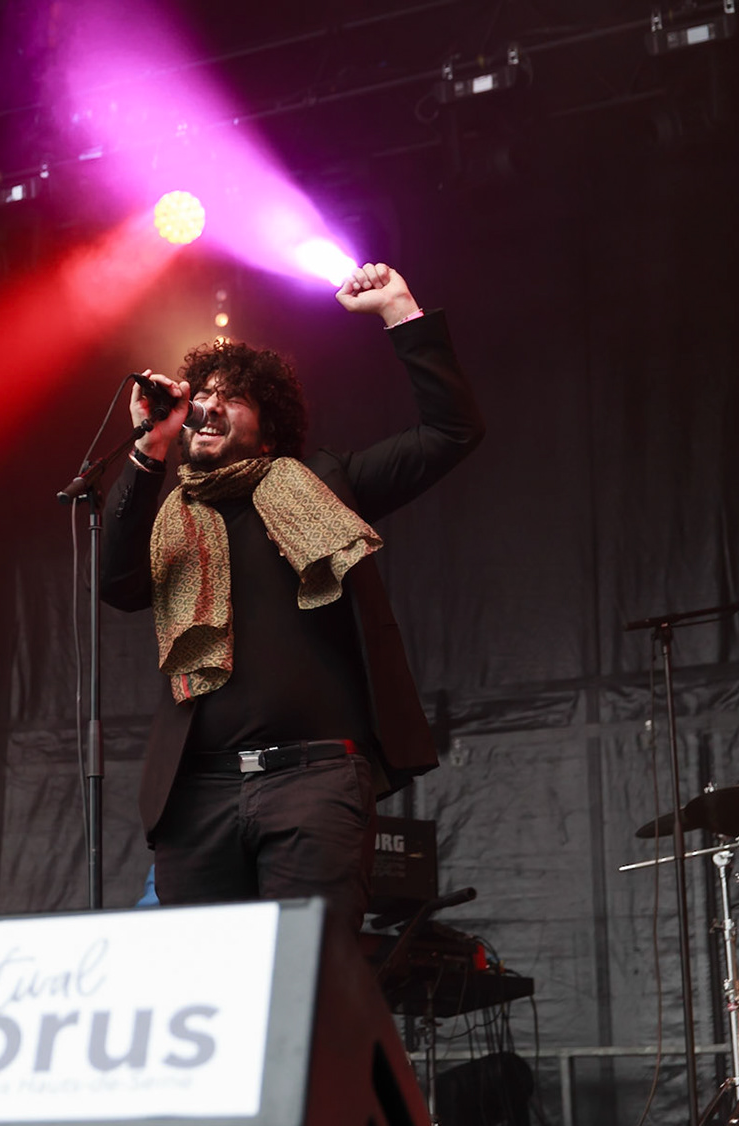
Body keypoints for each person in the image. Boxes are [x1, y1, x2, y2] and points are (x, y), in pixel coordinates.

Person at [101, 263, 483, 930]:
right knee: (207, 997)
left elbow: (452, 432)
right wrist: (147, 452)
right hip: (200, 794)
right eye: (204, 397)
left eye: (234, 398)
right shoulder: (176, 517)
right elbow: (117, 585)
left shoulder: (324, 484)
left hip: (314, 783)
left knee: (308, 985)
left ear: (269, 428)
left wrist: (401, 311)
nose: (210, 406)